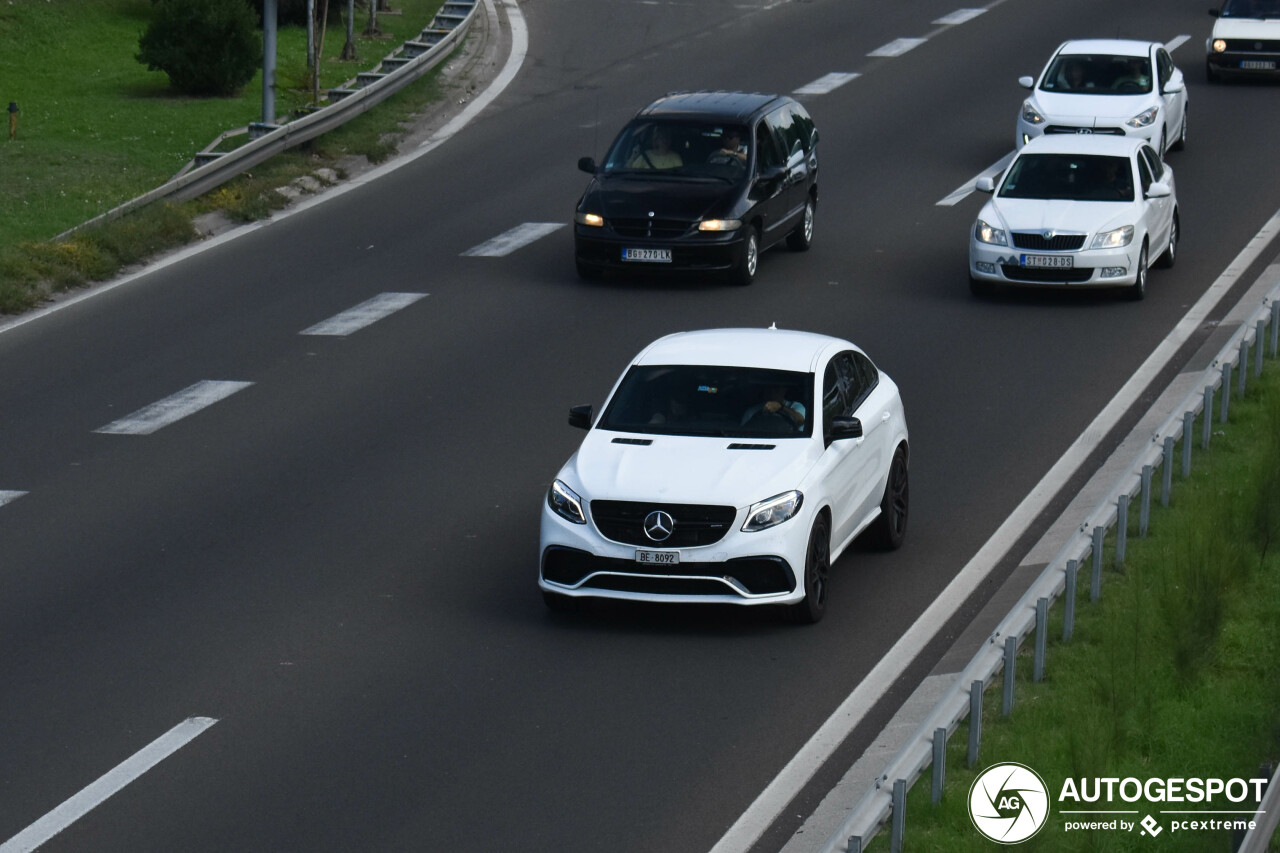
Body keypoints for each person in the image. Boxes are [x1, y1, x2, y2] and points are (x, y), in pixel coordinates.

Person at [741, 383, 806, 429]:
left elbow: (801, 421)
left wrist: (781, 408)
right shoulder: (751, 412)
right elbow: (743, 434)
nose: (772, 392)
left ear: (784, 390)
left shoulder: (796, 407)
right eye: (769, 388)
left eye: (777, 388)